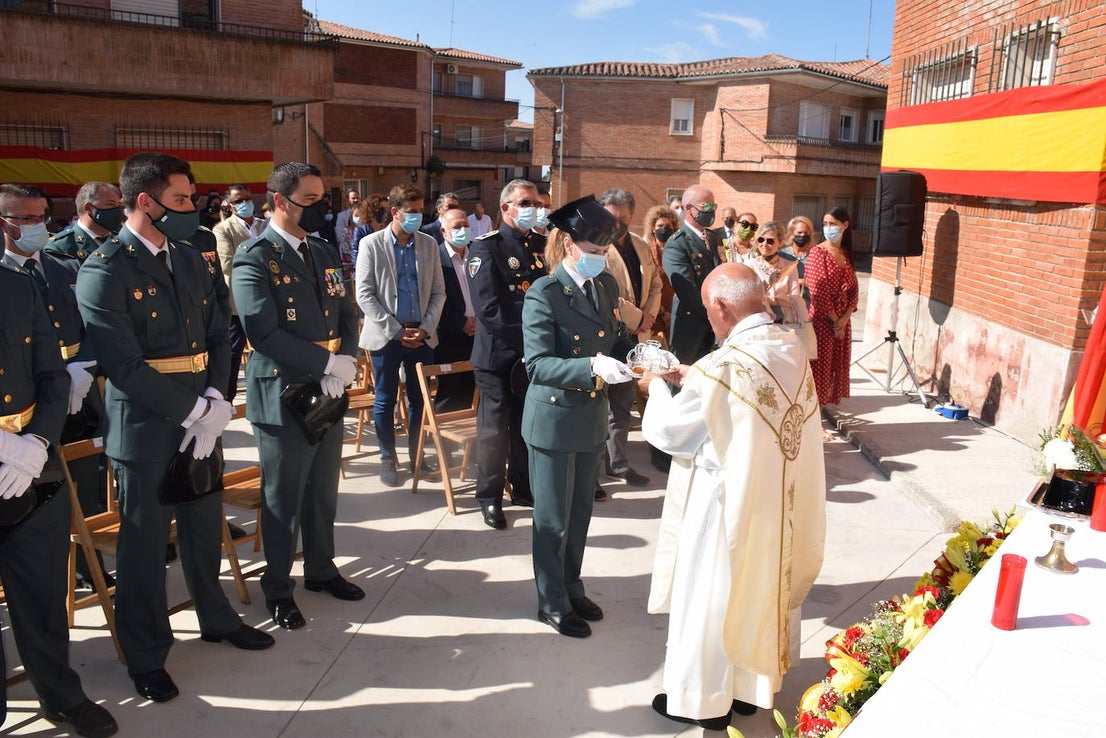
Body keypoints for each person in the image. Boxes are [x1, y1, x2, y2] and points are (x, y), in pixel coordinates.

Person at [76, 152, 273, 704]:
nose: (193, 208)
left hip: (203, 413)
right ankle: (145, 653)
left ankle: (215, 615)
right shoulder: (106, 268)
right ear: (147, 201)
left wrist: (215, 395)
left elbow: (218, 328)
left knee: (203, 524)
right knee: (143, 546)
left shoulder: (191, 258)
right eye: (182, 200)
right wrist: (193, 412)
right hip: (146, 427)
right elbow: (122, 364)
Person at [642, 262, 826, 730]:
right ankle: (750, 692)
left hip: (723, 505)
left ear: (722, 307)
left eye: (707, 310)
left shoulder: (721, 367)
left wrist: (657, 387)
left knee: (712, 597)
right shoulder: (790, 347)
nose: (708, 318)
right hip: (777, 499)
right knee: (761, 588)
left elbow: (669, 432)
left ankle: (703, 700)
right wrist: (694, 378)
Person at [0, 184, 119, 738]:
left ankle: (60, 694)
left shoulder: (17, 287)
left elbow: (50, 373)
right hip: (9, 452)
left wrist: (37, 443)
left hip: (31, 460)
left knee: (43, 589)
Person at [231, 162, 364, 631]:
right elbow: (262, 331)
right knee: (282, 499)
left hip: (328, 388)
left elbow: (347, 312)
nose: (320, 208)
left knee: (323, 491)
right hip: (285, 394)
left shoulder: (323, 251)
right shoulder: (254, 257)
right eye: (310, 200)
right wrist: (324, 364)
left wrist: (344, 360)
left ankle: (322, 570)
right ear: (280, 201)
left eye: (322, 199)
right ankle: (277, 588)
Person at [521, 194, 635, 639]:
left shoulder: (604, 285)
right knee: (552, 518)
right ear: (569, 245)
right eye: (593, 252)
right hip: (553, 421)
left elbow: (617, 340)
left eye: (604, 253)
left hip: (590, 416)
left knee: (580, 513)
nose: (600, 260)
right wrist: (589, 366)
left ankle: (572, 586)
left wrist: (643, 356)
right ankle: (550, 601)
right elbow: (536, 365)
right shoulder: (544, 294)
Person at [356, 183, 445, 487]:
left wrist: (425, 327)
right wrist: (395, 330)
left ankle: (417, 452)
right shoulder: (371, 244)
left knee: (420, 399)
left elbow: (438, 292)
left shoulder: (429, 245)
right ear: (394, 212)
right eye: (412, 212)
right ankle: (387, 456)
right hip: (386, 336)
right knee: (385, 397)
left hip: (421, 335)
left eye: (421, 211)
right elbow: (365, 294)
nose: (418, 217)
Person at [466, 179, 544, 528]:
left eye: (536, 203)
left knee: (524, 427)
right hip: (498, 356)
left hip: (530, 357)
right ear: (506, 208)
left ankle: (523, 488)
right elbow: (490, 310)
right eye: (525, 202)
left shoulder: (540, 245)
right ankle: (489, 496)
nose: (533, 209)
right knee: (494, 429)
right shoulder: (486, 248)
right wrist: (531, 341)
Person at [597, 188, 661, 487]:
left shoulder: (639, 245)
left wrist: (649, 315)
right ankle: (592, 470)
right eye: (612, 217)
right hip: (609, 337)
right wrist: (639, 317)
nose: (618, 223)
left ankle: (618, 464)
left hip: (636, 340)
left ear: (632, 216)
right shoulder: (595, 247)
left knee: (622, 406)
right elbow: (607, 296)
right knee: (599, 407)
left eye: (623, 218)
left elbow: (656, 283)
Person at [662, 184, 721, 364]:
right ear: (689, 209)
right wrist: (716, 316)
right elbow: (687, 292)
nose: (712, 211)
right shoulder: (677, 244)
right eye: (707, 207)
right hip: (691, 328)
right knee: (684, 384)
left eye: (714, 206)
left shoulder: (713, 238)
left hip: (715, 327)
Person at [213, 184, 262, 401]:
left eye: (248, 199)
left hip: (267, 298)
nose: (245, 204)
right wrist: (262, 266)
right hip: (238, 302)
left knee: (269, 349)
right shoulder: (223, 230)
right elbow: (227, 264)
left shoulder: (265, 225)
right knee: (234, 351)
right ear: (230, 206)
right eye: (239, 201)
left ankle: (264, 396)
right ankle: (227, 398)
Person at [806, 206, 859, 405]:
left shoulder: (846, 254)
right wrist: (835, 321)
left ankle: (823, 413)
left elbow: (854, 291)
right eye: (825, 224)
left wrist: (844, 319)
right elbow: (818, 293)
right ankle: (816, 423)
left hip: (842, 325)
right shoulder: (818, 252)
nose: (828, 228)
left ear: (844, 226)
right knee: (819, 371)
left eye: (833, 224)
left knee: (834, 370)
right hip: (822, 322)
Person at [434, 207, 477, 412]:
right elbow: (431, 301)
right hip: (450, 338)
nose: (463, 230)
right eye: (457, 226)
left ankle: (470, 444)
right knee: (450, 395)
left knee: (475, 392)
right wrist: (461, 323)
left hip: (478, 335)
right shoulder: (435, 259)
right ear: (443, 231)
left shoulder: (478, 255)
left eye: (466, 225)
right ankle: (446, 443)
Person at [46, 181, 124, 262]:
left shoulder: (123, 241)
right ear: (88, 208)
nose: (118, 210)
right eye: (110, 204)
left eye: (119, 206)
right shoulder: (61, 246)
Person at [781, 215, 816, 308]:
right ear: (792, 234)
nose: (802, 235)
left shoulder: (815, 254)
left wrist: (795, 281)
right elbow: (779, 279)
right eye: (799, 232)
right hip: (785, 304)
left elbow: (816, 282)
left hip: (809, 304)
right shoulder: (783, 254)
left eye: (806, 232)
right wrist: (802, 281)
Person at [335, 188, 361, 260]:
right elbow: (339, 235)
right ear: (347, 199)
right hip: (346, 254)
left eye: (357, 198)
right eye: (353, 198)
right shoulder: (341, 216)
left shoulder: (364, 215)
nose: (356, 200)